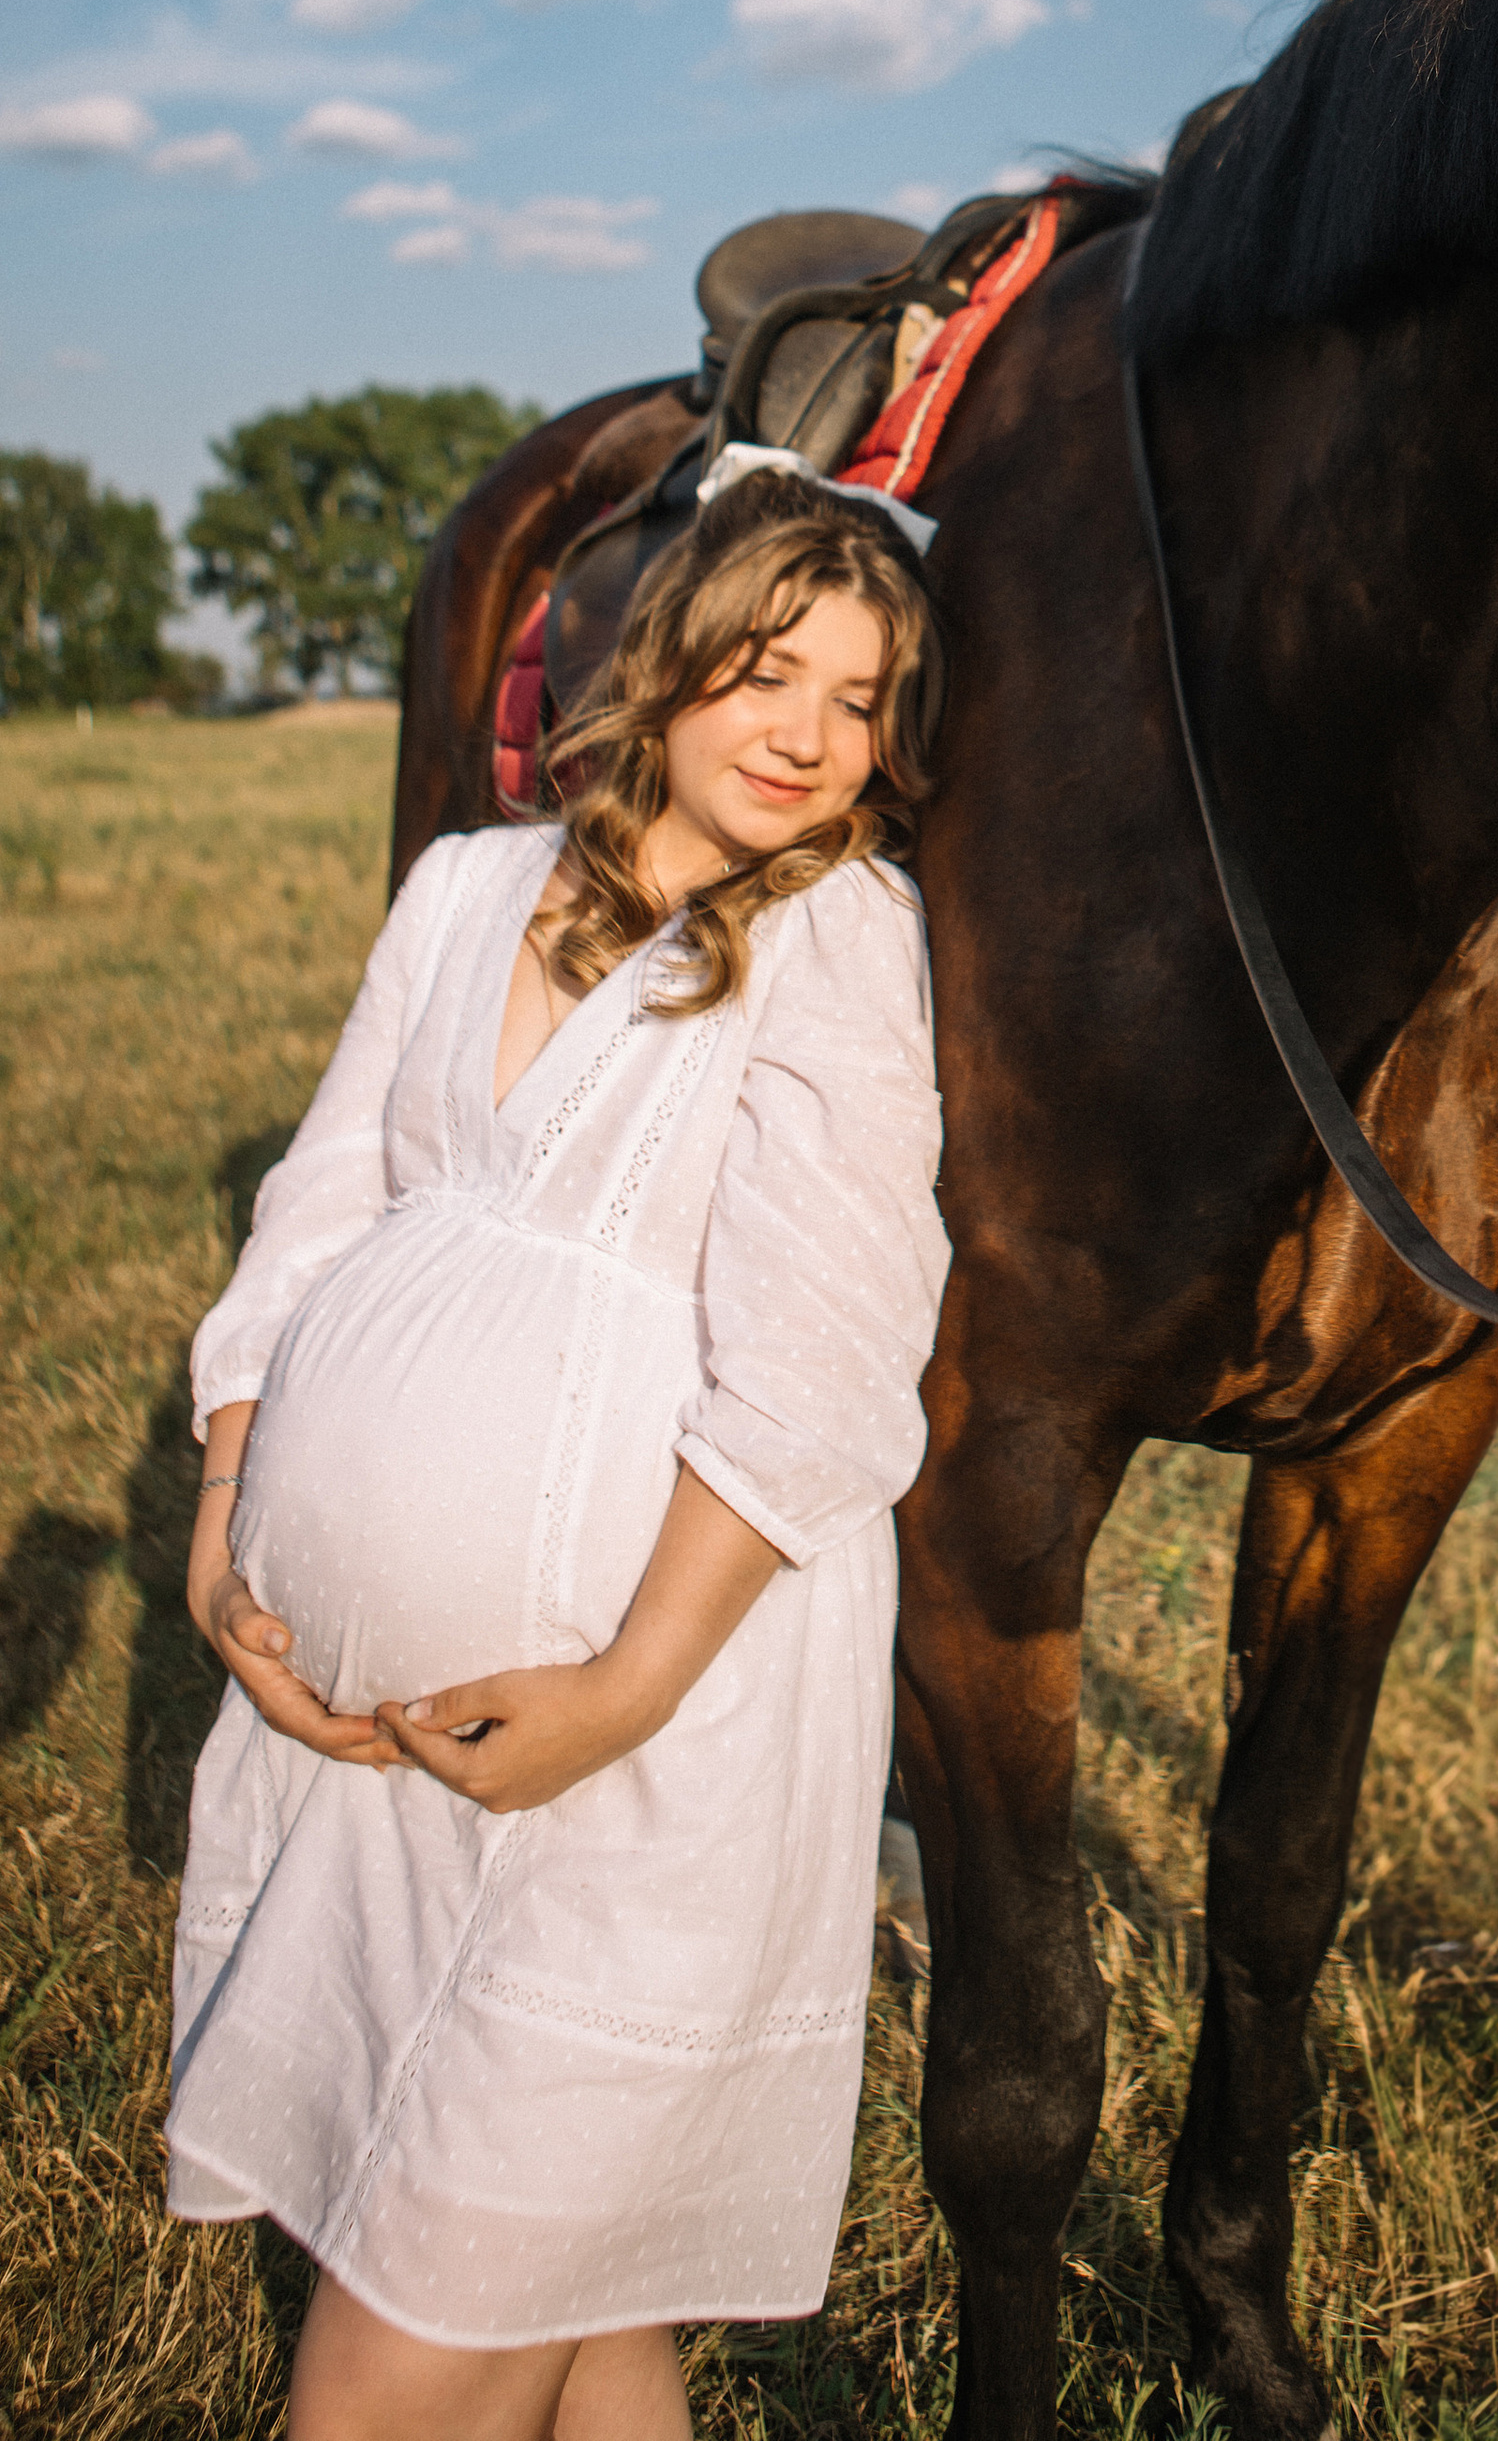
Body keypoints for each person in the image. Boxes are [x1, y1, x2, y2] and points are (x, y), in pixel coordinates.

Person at [167, 469, 951, 2441]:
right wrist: (225, 1529)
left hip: (651, 1737)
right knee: (588, 2317)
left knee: (401, 2345)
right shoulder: (458, 894)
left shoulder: (837, 939)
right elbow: (320, 1206)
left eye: (859, 702)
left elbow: (826, 1369)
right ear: (666, 663)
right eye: (772, 674)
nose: (808, 737)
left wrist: (620, 1690)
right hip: (373, 1745)